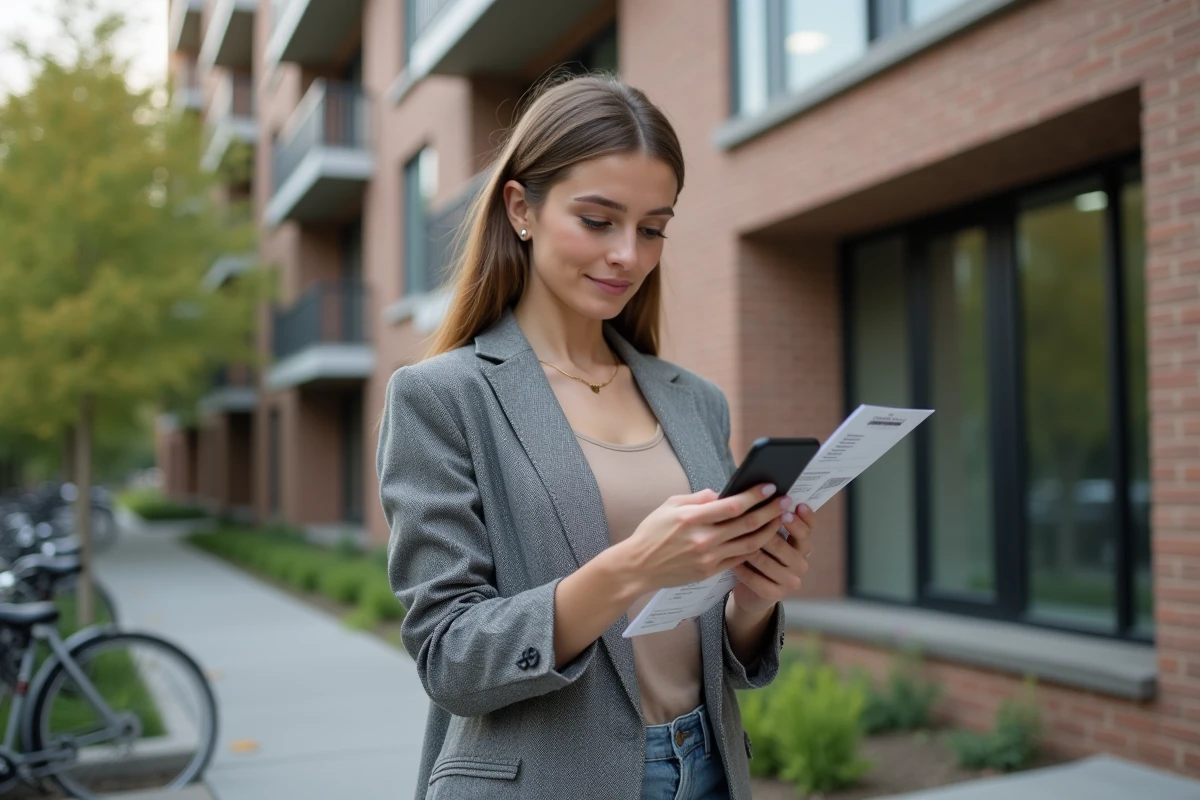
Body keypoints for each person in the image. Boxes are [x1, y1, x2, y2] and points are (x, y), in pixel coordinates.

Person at [376, 74, 816, 800]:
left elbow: (714, 641)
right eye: (598, 220)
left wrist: (755, 598)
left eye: (652, 229)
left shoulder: (694, 401)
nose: (627, 255)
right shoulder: (442, 397)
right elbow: (450, 657)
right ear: (521, 207)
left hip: (705, 766)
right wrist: (631, 569)